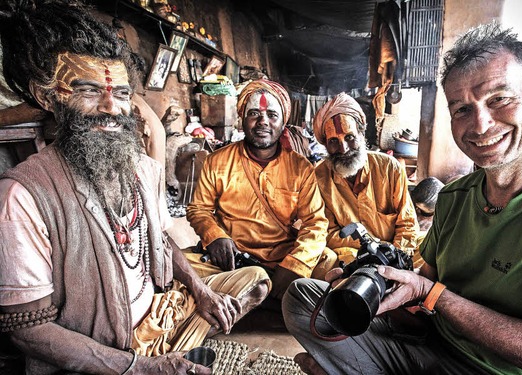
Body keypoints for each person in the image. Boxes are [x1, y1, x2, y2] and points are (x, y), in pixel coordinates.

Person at [283, 23, 522, 375]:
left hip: (490, 369)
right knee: (304, 299)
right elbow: (423, 291)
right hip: (428, 343)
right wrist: (379, 288)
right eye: (462, 110)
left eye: (499, 99)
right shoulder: (454, 197)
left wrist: (431, 293)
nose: (481, 125)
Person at [0, 1, 269, 374]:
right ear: (48, 97)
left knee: (253, 279)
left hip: (161, 315)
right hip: (106, 350)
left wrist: (201, 291)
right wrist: (141, 367)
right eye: (90, 91)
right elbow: (28, 331)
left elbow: (159, 237)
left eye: (123, 94)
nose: (113, 108)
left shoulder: (141, 168)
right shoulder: (23, 196)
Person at [186, 79, 333, 301]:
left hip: (282, 257)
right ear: (242, 119)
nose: (262, 122)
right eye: (254, 114)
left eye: (272, 116)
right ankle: (267, 297)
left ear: (283, 122)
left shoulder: (300, 167)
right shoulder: (217, 161)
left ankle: (251, 295)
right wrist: (215, 237)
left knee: (327, 259)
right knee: (176, 264)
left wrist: (294, 265)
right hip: (231, 259)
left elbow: (315, 223)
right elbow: (199, 209)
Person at [312, 92, 420, 265]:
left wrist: (395, 256)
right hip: (351, 254)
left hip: (394, 250)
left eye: (350, 137)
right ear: (325, 145)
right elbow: (328, 233)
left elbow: (407, 224)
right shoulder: (318, 177)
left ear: (362, 135)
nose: (344, 148)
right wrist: (372, 249)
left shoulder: (389, 167)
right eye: (333, 141)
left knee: (430, 249)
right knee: (327, 259)